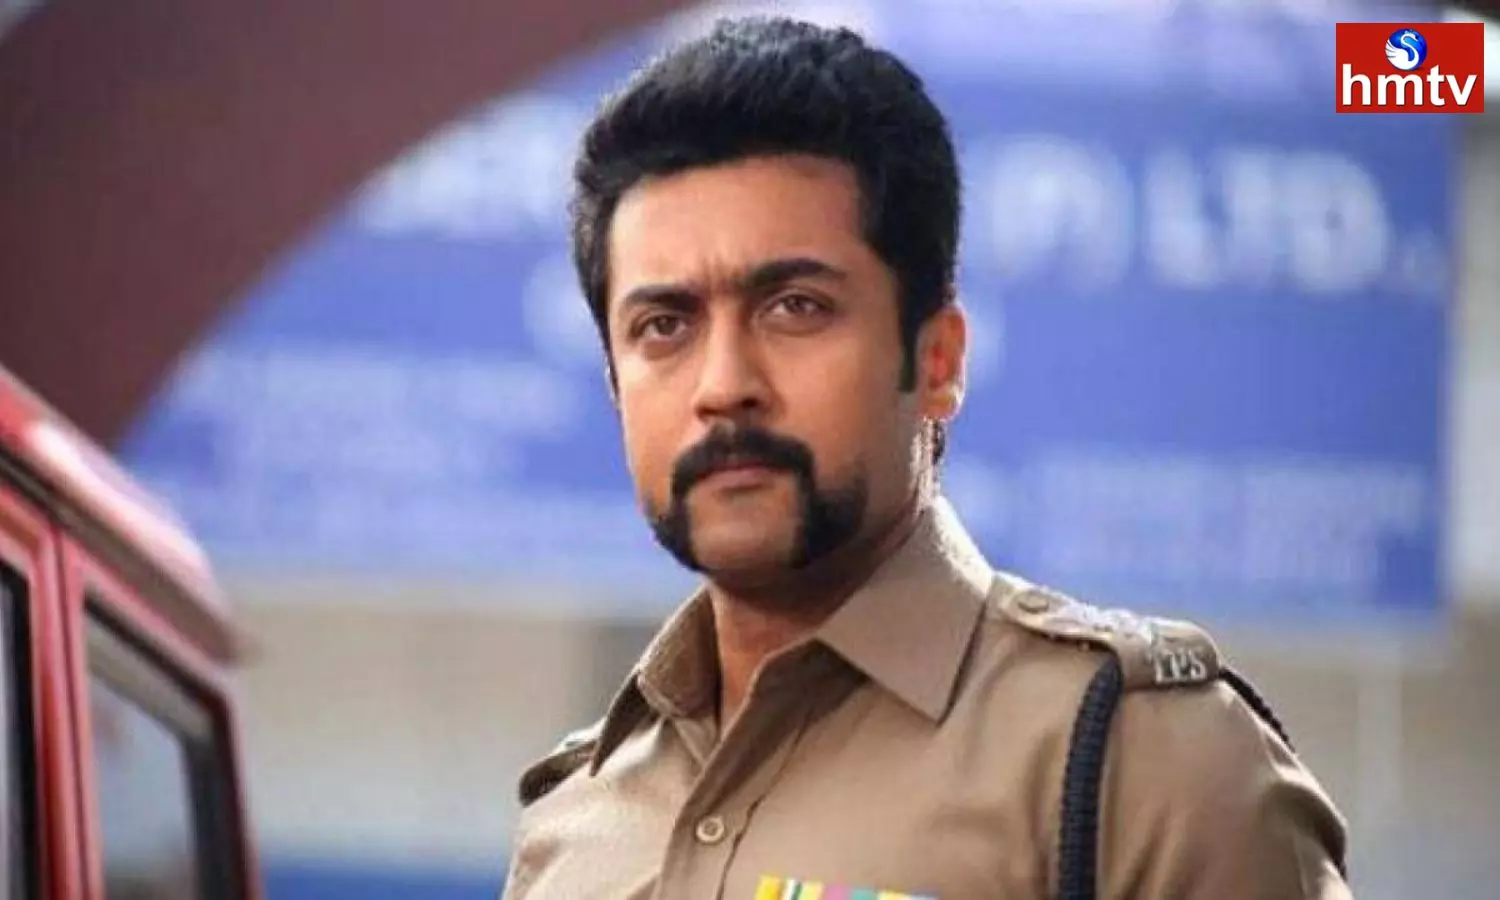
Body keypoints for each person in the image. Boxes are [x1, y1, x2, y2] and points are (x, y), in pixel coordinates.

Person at [501, 15, 1350, 900]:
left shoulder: (1141, 766)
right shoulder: (576, 821)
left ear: (937, 359)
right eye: (663, 326)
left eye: (795, 307)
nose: (723, 386)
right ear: (614, 379)